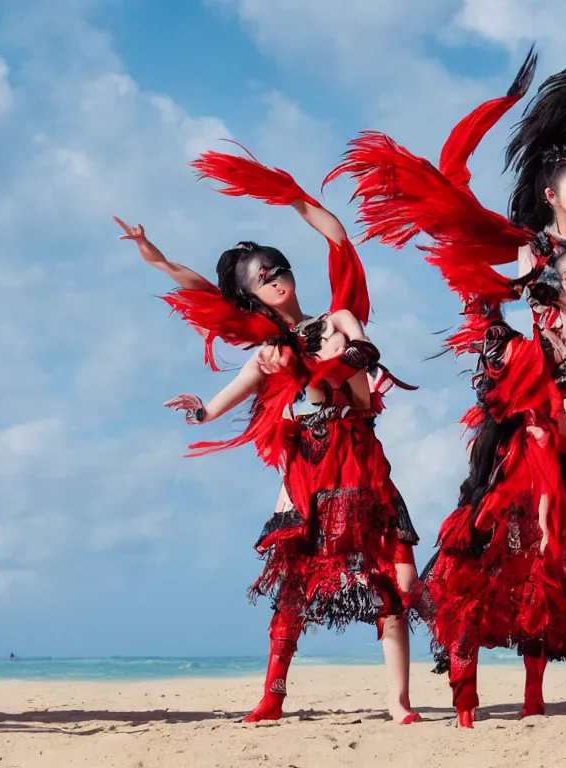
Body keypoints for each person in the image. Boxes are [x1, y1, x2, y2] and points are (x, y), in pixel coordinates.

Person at [326, 51, 566, 725]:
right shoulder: (528, 253)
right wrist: (510, 356)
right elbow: (488, 308)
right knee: (501, 556)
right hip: (527, 425)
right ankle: (489, 699)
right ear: (552, 194)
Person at [114, 146, 422, 724]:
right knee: (294, 585)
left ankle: (398, 701)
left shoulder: (335, 320)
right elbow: (215, 396)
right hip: (306, 473)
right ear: (249, 295)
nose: (275, 280)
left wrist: (290, 196)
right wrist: (197, 407)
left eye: (279, 269)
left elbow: (341, 245)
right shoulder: (268, 353)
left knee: (394, 579)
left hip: (358, 462)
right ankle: (273, 695)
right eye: (262, 279)